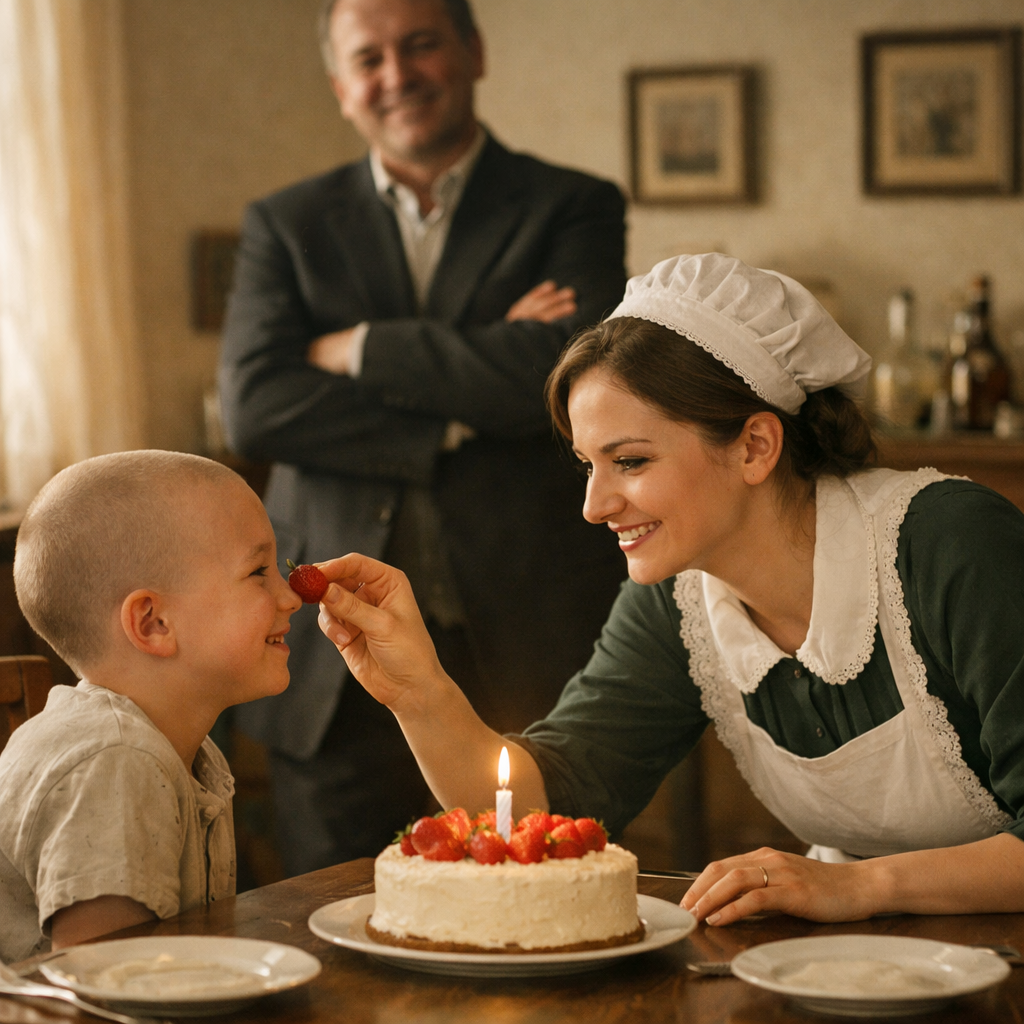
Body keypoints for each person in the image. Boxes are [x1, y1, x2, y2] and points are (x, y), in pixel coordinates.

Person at [311, 252, 1024, 925]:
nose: (594, 505)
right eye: (589, 464)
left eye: (630, 460)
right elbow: (544, 807)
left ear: (755, 447)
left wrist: (865, 884)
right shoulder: (679, 599)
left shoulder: (950, 545)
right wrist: (418, 691)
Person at [218, 0, 626, 874]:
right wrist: (463, 398)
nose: (396, 75)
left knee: (540, 897)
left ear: (474, 52)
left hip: (523, 634)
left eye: (421, 45)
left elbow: (567, 373)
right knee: (329, 914)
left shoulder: (574, 205)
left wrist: (356, 348)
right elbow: (256, 405)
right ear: (340, 87)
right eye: (368, 59)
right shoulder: (285, 223)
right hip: (335, 644)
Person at [0, 452, 302, 962]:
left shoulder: (184, 749)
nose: (291, 595)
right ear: (153, 623)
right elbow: (111, 983)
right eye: (258, 572)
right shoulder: (115, 762)